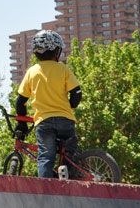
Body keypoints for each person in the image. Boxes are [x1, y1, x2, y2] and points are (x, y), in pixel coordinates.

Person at [15, 29, 83, 178]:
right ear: (56, 51)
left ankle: (47, 191)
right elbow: (77, 93)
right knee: (69, 153)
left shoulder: (32, 72)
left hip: (44, 122)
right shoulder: (63, 69)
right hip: (65, 120)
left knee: (46, 156)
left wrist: (22, 123)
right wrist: (70, 106)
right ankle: (70, 175)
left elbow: (20, 101)